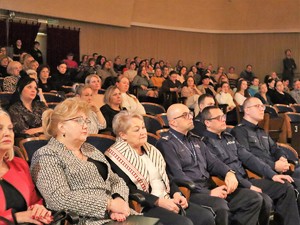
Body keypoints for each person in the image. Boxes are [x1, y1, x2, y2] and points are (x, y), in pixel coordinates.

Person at [156, 103, 263, 225]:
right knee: (220, 206)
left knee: (253, 198)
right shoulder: (166, 143)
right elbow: (176, 175)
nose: (191, 117)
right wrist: (209, 193)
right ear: (173, 122)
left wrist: (229, 172)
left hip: (209, 186)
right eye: (185, 115)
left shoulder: (195, 139)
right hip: (192, 192)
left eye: (190, 114)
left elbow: (214, 163)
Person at [30, 98, 133, 224]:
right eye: (78, 120)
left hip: (117, 215)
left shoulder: (90, 149)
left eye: (86, 120)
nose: (85, 125)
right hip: (85, 220)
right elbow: (58, 198)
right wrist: (108, 204)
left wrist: (119, 199)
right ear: (62, 127)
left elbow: (115, 180)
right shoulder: (47, 154)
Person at [105, 111, 215, 225]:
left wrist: (177, 194)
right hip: (145, 205)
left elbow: (166, 178)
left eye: (143, 127)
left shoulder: (152, 150)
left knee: (205, 217)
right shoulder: (114, 156)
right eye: (137, 130)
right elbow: (128, 189)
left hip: (167, 197)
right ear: (123, 135)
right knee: (184, 223)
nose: (143, 132)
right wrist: (158, 202)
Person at [201, 105, 300, 225]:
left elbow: (249, 158)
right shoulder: (204, 143)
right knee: (264, 200)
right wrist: (248, 186)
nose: (223, 120)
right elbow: (219, 170)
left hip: (245, 179)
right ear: (207, 123)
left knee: (285, 187)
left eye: (223, 116)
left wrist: (273, 175)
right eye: (218, 118)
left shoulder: (228, 137)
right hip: (230, 185)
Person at [0, 109, 53, 225]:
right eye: (0, 128)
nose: (7, 133)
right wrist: (15, 217)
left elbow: (35, 201)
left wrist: (38, 209)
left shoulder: (20, 165)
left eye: (10, 128)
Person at [232, 97, 300, 179]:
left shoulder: (261, 131)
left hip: (276, 169)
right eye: (257, 106)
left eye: (262, 106)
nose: (262, 109)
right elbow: (247, 158)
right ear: (247, 110)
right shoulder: (239, 131)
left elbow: (275, 148)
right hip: (262, 174)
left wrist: (282, 158)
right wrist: (273, 165)